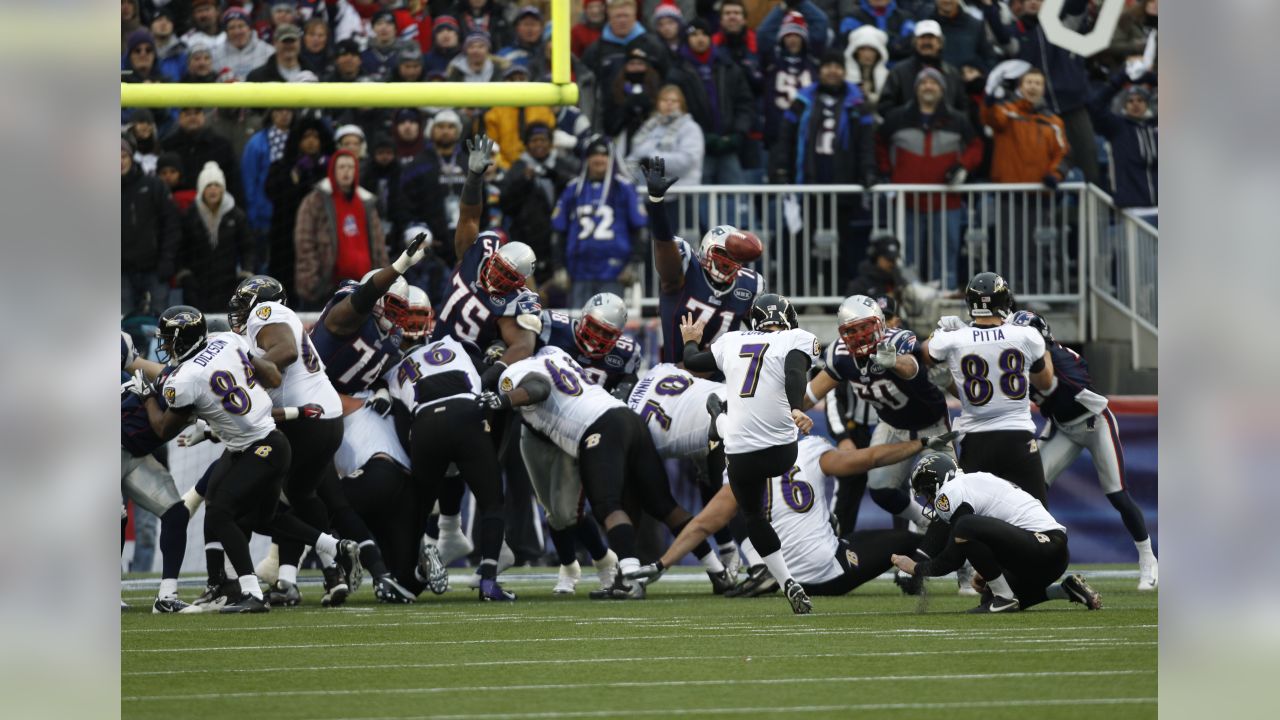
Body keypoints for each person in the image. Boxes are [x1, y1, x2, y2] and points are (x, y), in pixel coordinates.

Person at [143, 306, 357, 613]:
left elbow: (163, 427)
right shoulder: (228, 341)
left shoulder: (185, 378)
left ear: (180, 340)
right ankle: (334, 547)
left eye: (167, 340)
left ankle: (250, 591)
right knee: (259, 517)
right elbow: (269, 378)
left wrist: (149, 395)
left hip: (258, 449)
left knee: (219, 513)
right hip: (268, 442)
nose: (164, 347)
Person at [482, 345, 712, 600]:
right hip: (627, 416)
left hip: (596, 427)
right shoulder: (555, 352)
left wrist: (503, 398)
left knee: (607, 506)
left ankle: (628, 578)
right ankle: (718, 570)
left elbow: (539, 388)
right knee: (664, 505)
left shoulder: (514, 371)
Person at [628, 432, 957, 596]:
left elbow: (701, 525)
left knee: (846, 537)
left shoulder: (741, 466)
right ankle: (959, 569)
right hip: (827, 570)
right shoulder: (810, 448)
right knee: (910, 540)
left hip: (788, 576)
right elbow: (868, 459)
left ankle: (763, 569)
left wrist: (661, 564)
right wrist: (922, 443)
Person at [678, 293, 820, 614]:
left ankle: (786, 582)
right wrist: (797, 407)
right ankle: (720, 417)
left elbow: (692, 362)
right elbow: (796, 373)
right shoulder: (795, 337)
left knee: (754, 515)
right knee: (756, 500)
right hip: (782, 449)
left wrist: (690, 340)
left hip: (741, 451)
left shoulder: (731, 340)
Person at [1009, 311, 1158, 590]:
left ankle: (1148, 559)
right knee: (1031, 490)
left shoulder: (1061, 358)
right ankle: (1034, 555)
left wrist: (1037, 380)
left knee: (1117, 494)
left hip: (1093, 423)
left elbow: (1067, 388)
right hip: (1061, 428)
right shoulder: (1017, 364)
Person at [517, 293, 640, 593]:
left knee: (565, 511)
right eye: (593, 328)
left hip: (575, 436)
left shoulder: (626, 354)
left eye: (606, 334)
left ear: (618, 337)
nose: (597, 339)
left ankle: (596, 560)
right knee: (550, 508)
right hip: (534, 429)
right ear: (582, 319)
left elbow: (623, 394)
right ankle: (571, 564)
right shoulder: (551, 327)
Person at [386, 330, 515, 601]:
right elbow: (491, 380)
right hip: (466, 414)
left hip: (426, 423)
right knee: (492, 502)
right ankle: (489, 582)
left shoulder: (396, 370)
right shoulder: (454, 346)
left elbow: (401, 429)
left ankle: (408, 581)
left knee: (418, 511)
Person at [802, 294, 950, 528]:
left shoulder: (898, 339)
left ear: (880, 323)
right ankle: (926, 522)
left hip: (932, 423)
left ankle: (966, 555)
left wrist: (895, 362)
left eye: (865, 327)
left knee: (950, 492)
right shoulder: (840, 355)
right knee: (880, 489)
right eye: (851, 331)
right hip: (891, 425)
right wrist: (786, 409)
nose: (859, 335)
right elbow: (811, 395)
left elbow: (912, 368)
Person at [892, 453, 1103, 613]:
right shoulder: (975, 481)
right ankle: (1065, 590)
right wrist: (986, 570)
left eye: (928, 492)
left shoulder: (952, 490)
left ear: (938, 481)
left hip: (1041, 546)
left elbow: (953, 557)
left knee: (964, 526)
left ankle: (1004, 598)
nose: (930, 500)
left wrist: (916, 567)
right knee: (987, 599)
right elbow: (998, 530)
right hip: (1052, 555)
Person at [921, 272, 1055, 504]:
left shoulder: (952, 339)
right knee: (1039, 520)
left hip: (976, 442)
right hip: (1018, 438)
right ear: (1004, 302)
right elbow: (1045, 383)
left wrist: (939, 333)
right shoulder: (1026, 335)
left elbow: (925, 354)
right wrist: (1045, 345)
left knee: (970, 521)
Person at [642, 156, 764, 361]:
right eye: (722, 254)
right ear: (706, 249)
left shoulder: (749, 284)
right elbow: (663, 243)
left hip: (721, 381)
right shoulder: (686, 271)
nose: (726, 262)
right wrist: (656, 203)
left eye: (733, 256)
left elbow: (764, 336)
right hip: (676, 374)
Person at [876, 66, 983, 290]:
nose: (928, 86)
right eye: (923, 82)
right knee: (906, 255)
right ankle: (909, 296)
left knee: (946, 253)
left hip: (946, 201)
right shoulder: (897, 118)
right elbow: (879, 144)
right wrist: (887, 172)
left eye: (933, 82)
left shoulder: (958, 120)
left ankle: (946, 295)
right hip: (907, 202)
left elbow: (976, 146)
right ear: (916, 89)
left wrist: (962, 167)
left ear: (942, 89)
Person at [119, 334, 194, 613]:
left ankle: (167, 596)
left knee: (176, 513)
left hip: (134, 453)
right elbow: (163, 427)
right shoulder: (188, 374)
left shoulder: (200, 372)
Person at [1000, 0, 1100, 184]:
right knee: (1045, 168)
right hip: (1038, 110)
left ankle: (1093, 209)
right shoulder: (1016, 32)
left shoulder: (1065, 24)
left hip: (1073, 105)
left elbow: (1077, 7)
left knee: (1088, 159)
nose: (1032, 2)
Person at [552, 137, 648, 307]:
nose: (599, 159)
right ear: (586, 159)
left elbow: (639, 228)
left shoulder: (624, 188)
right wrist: (559, 266)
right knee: (578, 325)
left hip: (613, 271)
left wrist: (634, 263)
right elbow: (558, 230)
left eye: (604, 155)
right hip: (578, 272)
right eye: (594, 155)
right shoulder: (573, 189)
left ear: (611, 159)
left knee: (609, 324)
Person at [293, 149, 391, 306]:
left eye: (351, 167)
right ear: (333, 170)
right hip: (327, 288)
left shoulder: (367, 203)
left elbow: (379, 245)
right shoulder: (315, 201)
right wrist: (312, 281)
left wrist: (381, 281)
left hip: (364, 288)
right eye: (342, 167)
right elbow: (305, 242)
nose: (347, 171)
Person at [499, 122, 579, 287]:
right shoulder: (517, 168)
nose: (539, 144)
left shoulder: (564, 165)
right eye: (534, 140)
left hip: (559, 242)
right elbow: (506, 204)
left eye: (543, 140)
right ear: (526, 144)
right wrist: (524, 180)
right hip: (526, 241)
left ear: (551, 143)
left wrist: (554, 176)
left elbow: (576, 191)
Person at [264, 116, 335, 301]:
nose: (311, 141)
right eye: (306, 137)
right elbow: (271, 191)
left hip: (325, 240)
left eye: (315, 136)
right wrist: (293, 180)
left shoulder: (332, 169)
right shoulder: (283, 167)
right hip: (287, 241)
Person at [682, 19, 755, 186]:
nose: (699, 39)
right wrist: (702, 138)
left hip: (728, 145)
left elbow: (745, 103)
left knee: (735, 200)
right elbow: (678, 110)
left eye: (704, 34)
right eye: (694, 34)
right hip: (697, 150)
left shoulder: (728, 66)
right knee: (702, 203)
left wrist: (738, 133)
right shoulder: (678, 71)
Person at [175, 162, 253, 312]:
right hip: (197, 285)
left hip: (228, 283)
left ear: (223, 189)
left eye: (217, 185)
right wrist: (184, 275)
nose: (213, 190)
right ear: (201, 190)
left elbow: (247, 247)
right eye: (208, 186)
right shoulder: (190, 215)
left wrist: (245, 272)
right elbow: (181, 247)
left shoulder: (236, 215)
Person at [122, 136, 180, 317]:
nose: (119, 162)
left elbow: (171, 225)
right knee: (122, 324)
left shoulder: (154, 185)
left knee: (161, 323)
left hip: (154, 269)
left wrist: (167, 260)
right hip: (121, 271)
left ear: (131, 158)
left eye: (123, 156)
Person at [981, 67, 1069, 187]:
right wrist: (989, 105)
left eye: (1038, 83)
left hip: (1041, 192)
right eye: (1029, 82)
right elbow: (992, 118)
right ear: (1020, 87)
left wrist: (1055, 174)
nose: (1033, 86)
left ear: (1043, 89)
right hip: (1008, 192)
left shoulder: (1055, 123)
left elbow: (1062, 153)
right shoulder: (1006, 112)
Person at [1087, 69, 1158, 210]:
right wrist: (1119, 80)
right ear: (1125, 105)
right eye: (1130, 101)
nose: (1135, 104)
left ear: (1147, 104)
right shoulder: (1117, 127)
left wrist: (1151, 78)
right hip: (1131, 208)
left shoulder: (1157, 125)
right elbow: (1094, 106)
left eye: (1140, 100)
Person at [626, 84, 705, 200]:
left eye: (674, 101)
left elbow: (687, 160)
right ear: (658, 103)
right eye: (664, 100)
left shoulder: (690, 128)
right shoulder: (649, 127)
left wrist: (652, 160)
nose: (669, 104)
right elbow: (635, 155)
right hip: (648, 195)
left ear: (681, 104)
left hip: (680, 195)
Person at [876, 20, 968, 118]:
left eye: (931, 38)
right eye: (922, 38)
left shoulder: (952, 73)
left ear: (940, 43)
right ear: (915, 42)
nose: (926, 42)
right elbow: (884, 106)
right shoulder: (899, 71)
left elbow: (963, 107)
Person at [241, 108, 296, 265]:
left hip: (290, 214)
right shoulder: (256, 144)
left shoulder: (298, 140)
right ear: (271, 113)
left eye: (287, 110)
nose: (284, 114)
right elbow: (249, 180)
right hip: (263, 215)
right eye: (279, 110)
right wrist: (253, 214)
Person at [483, 65, 557, 171]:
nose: (517, 83)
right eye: (512, 79)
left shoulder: (543, 110)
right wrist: (506, 168)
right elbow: (493, 148)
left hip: (540, 166)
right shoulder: (494, 114)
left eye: (522, 79)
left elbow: (550, 143)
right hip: (505, 168)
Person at [164, 107, 244, 203]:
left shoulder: (222, 146)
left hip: (215, 208)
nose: (193, 117)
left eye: (197, 113)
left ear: (203, 116)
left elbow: (233, 182)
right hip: (179, 208)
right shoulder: (168, 146)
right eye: (187, 114)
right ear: (180, 118)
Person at [764, 14, 817, 145]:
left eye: (797, 35)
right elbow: (763, 33)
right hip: (777, 133)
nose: (792, 40)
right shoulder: (772, 65)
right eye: (788, 35)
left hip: (807, 134)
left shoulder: (813, 65)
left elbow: (822, 22)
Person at [923, 0, 999, 75]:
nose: (948, 1)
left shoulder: (975, 25)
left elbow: (989, 59)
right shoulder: (925, 26)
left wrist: (979, 76)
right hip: (935, 82)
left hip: (968, 84)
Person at [839, 0, 918, 62]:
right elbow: (850, 44)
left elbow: (909, 45)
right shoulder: (852, 17)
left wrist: (872, 43)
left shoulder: (905, 17)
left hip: (897, 68)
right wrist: (893, 42)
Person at [215, 7, 275, 81]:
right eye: (231, 28)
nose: (237, 32)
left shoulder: (268, 51)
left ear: (249, 28)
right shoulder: (216, 54)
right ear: (226, 32)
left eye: (241, 26)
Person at [842, 25, 890, 115]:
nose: (867, 54)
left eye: (872, 50)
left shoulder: (887, 76)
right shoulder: (844, 74)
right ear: (855, 51)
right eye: (863, 49)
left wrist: (871, 97)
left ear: (879, 52)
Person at [498, 5, 548, 80]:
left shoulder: (548, 53)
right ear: (517, 28)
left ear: (541, 28)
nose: (530, 29)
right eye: (526, 24)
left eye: (534, 24)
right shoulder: (504, 55)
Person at [361, 10, 402, 81]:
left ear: (395, 28)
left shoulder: (404, 52)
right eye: (379, 23)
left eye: (389, 24)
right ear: (373, 28)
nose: (384, 28)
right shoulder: (363, 55)